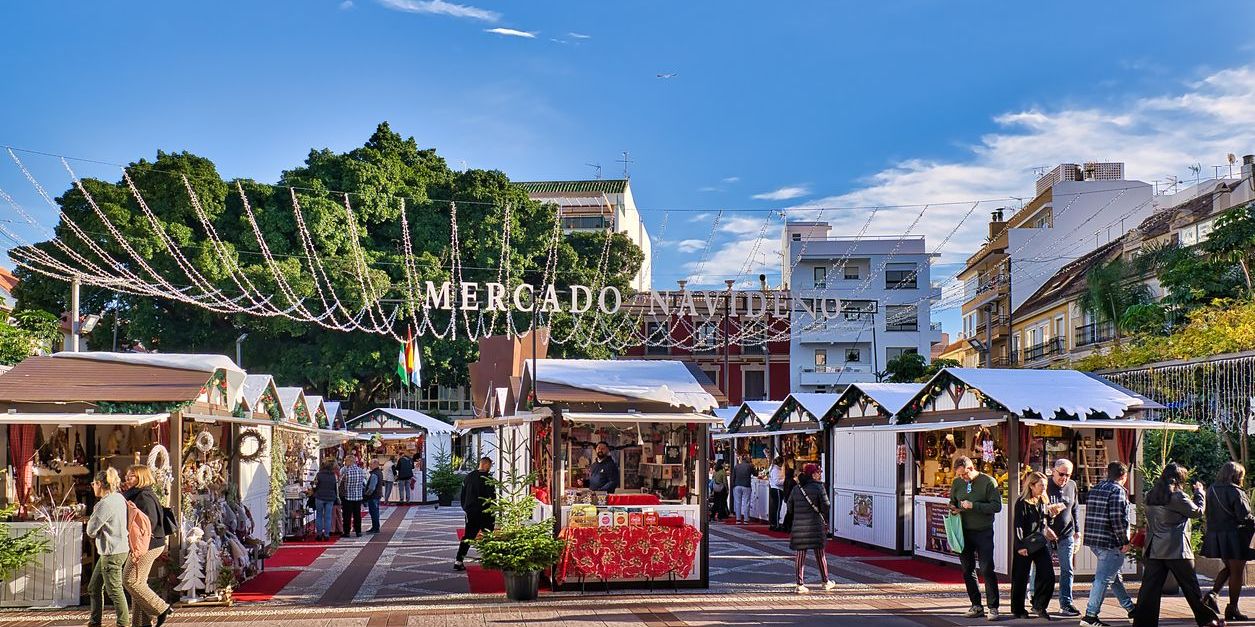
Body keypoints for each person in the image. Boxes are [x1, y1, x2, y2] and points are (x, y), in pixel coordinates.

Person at [1132, 462, 1221, 627]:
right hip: (1177, 549)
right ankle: (1208, 620)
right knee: (1191, 587)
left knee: (1149, 590)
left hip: (1154, 548)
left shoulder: (1150, 495)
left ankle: (1143, 623)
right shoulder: (1178, 496)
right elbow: (1197, 512)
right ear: (1179, 478)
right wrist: (1200, 493)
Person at [1081, 462, 1137, 627]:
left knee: (1113, 577)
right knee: (1103, 579)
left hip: (1094, 541)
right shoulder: (1117, 491)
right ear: (1124, 477)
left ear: (1107, 473)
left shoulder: (1096, 488)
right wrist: (1124, 542)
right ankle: (1090, 617)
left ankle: (1132, 610)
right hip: (1110, 542)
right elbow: (1118, 519)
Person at [950, 456, 1002, 622]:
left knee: (987, 568)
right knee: (967, 569)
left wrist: (974, 506)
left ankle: (993, 607)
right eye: (959, 475)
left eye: (964, 474)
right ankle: (976, 605)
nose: (962, 478)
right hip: (963, 531)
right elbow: (953, 502)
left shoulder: (988, 482)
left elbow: (996, 506)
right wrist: (953, 508)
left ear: (971, 468)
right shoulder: (957, 483)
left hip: (983, 531)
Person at [122, 465, 173, 627]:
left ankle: (162, 608)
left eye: (131, 476)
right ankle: (141, 623)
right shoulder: (137, 494)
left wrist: (137, 547)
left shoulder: (143, 496)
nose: (127, 479)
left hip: (147, 545)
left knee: (130, 580)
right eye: (127, 475)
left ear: (141, 478)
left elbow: (146, 525)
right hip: (147, 544)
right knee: (139, 583)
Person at [1203, 461, 1254, 621]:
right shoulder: (1236, 492)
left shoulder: (1211, 490)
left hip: (1218, 534)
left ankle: (1212, 595)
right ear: (1236, 475)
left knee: (1230, 568)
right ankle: (1233, 608)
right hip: (1236, 536)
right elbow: (1244, 517)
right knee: (1237, 571)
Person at [86, 468, 129, 627]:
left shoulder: (104, 504)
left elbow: (91, 531)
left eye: (93, 483)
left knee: (114, 590)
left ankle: (123, 623)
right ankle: (95, 621)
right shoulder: (119, 498)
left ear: (99, 484)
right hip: (119, 548)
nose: (92, 486)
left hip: (111, 551)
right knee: (94, 587)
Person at [1011, 471, 1055, 620]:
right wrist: (1020, 546)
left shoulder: (1043, 500)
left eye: (1045, 485)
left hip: (1040, 542)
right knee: (1020, 576)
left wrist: (1052, 516)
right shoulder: (1022, 502)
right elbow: (1018, 525)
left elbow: (1044, 522)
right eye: (1041, 485)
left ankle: (1039, 605)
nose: (1044, 488)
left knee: (1048, 574)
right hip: (1025, 543)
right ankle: (1017, 609)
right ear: (1031, 485)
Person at [788, 463, 836, 593]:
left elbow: (789, 507)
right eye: (817, 472)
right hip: (815, 524)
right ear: (812, 474)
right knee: (820, 554)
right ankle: (825, 581)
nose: (819, 475)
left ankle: (799, 584)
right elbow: (826, 505)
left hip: (799, 525)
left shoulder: (797, 488)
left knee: (800, 554)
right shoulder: (819, 487)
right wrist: (820, 513)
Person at [1046, 458, 1082, 618]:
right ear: (1053, 471)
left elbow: (1075, 508)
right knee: (1042, 569)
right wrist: (1046, 517)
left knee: (1067, 569)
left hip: (1067, 532)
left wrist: (1078, 531)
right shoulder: (1044, 484)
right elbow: (1035, 508)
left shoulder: (1072, 485)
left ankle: (1066, 603)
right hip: (1046, 533)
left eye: (1068, 475)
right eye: (1061, 474)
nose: (1064, 478)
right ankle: (1036, 598)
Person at [454, 456, 496, 571]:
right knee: (488, 535)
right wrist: (493, 509)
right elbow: (492, 497)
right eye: (490, 465)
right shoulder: (488, 478)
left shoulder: (469, 476)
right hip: (485, 512)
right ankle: (490, 559)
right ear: (487, 465)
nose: (490, 468)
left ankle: (459, 560)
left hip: (471, 511)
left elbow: (463, 494)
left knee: (468, 536)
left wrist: (466, 508)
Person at [340, 457, 368, 538]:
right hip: (358, 497)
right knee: (357, 515)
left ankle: (347, 532)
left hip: (348, 497)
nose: (345, 463)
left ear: (350, 461)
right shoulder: (360, 471)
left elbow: (341, 484)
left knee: (347, 515)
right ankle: (358, 531)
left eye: (346, 461)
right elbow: (363, 482)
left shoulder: (347, 472)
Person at [312, 458, 338, 541]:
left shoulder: (319, 475)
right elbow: (335, 487)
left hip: (319, 496)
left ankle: (319, 534)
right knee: (328, 516)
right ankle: (327, 534)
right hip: (330, 497)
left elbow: (314, 485)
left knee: (319, 515)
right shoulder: (334, 475)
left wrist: (314, 490)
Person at [732, 453, 755, 525]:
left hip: (737, 485)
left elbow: (733, 477)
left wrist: (733, 485)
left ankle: (738, 519)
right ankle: (746, 519)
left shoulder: (736, 466)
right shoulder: (749, 466)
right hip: (746, 485)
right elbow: (755, 473)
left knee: (738, 503)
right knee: (746, 503)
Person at [364, 459, 384, 534]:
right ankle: (375, 527)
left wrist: (367, 494)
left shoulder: (375, 474)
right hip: (377, 495)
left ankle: (375, 527)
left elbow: (372, 487)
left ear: (376, 464)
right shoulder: (379, 472)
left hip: (373, 496)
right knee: (375, 511)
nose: (370, 465)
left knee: (374, 512)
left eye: (371, 464)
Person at [768, 456, 785, 531]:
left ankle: (773, 523)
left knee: (774, 507)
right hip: (777, 489)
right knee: (777, 508)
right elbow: (777, 482)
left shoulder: (772, 468)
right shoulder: (776, 470)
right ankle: (776, 524)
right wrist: (785, 480)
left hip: (773, 488)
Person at [782, 463, 797, 532]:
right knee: (790, 513)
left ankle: (785, 525)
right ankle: (788, 526)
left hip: (787, 497)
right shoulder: (792, 482)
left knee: (789, 512)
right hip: (791, 498)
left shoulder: (786, 480)